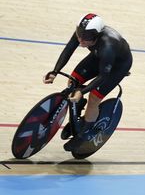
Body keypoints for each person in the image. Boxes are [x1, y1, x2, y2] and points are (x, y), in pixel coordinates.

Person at [43, 14, 133, 151]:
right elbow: (68, 49)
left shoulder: (108, 45)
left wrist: (82, 91)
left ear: (97, 35)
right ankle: (78, 112)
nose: (81, 41)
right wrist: (55, 71)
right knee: (72, 82)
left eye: (86, 38)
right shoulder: (84, 32)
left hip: (116, 67)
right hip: (99, 56)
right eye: (80, 35)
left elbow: (103, 76)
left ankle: (85, 133)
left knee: (94, 98)